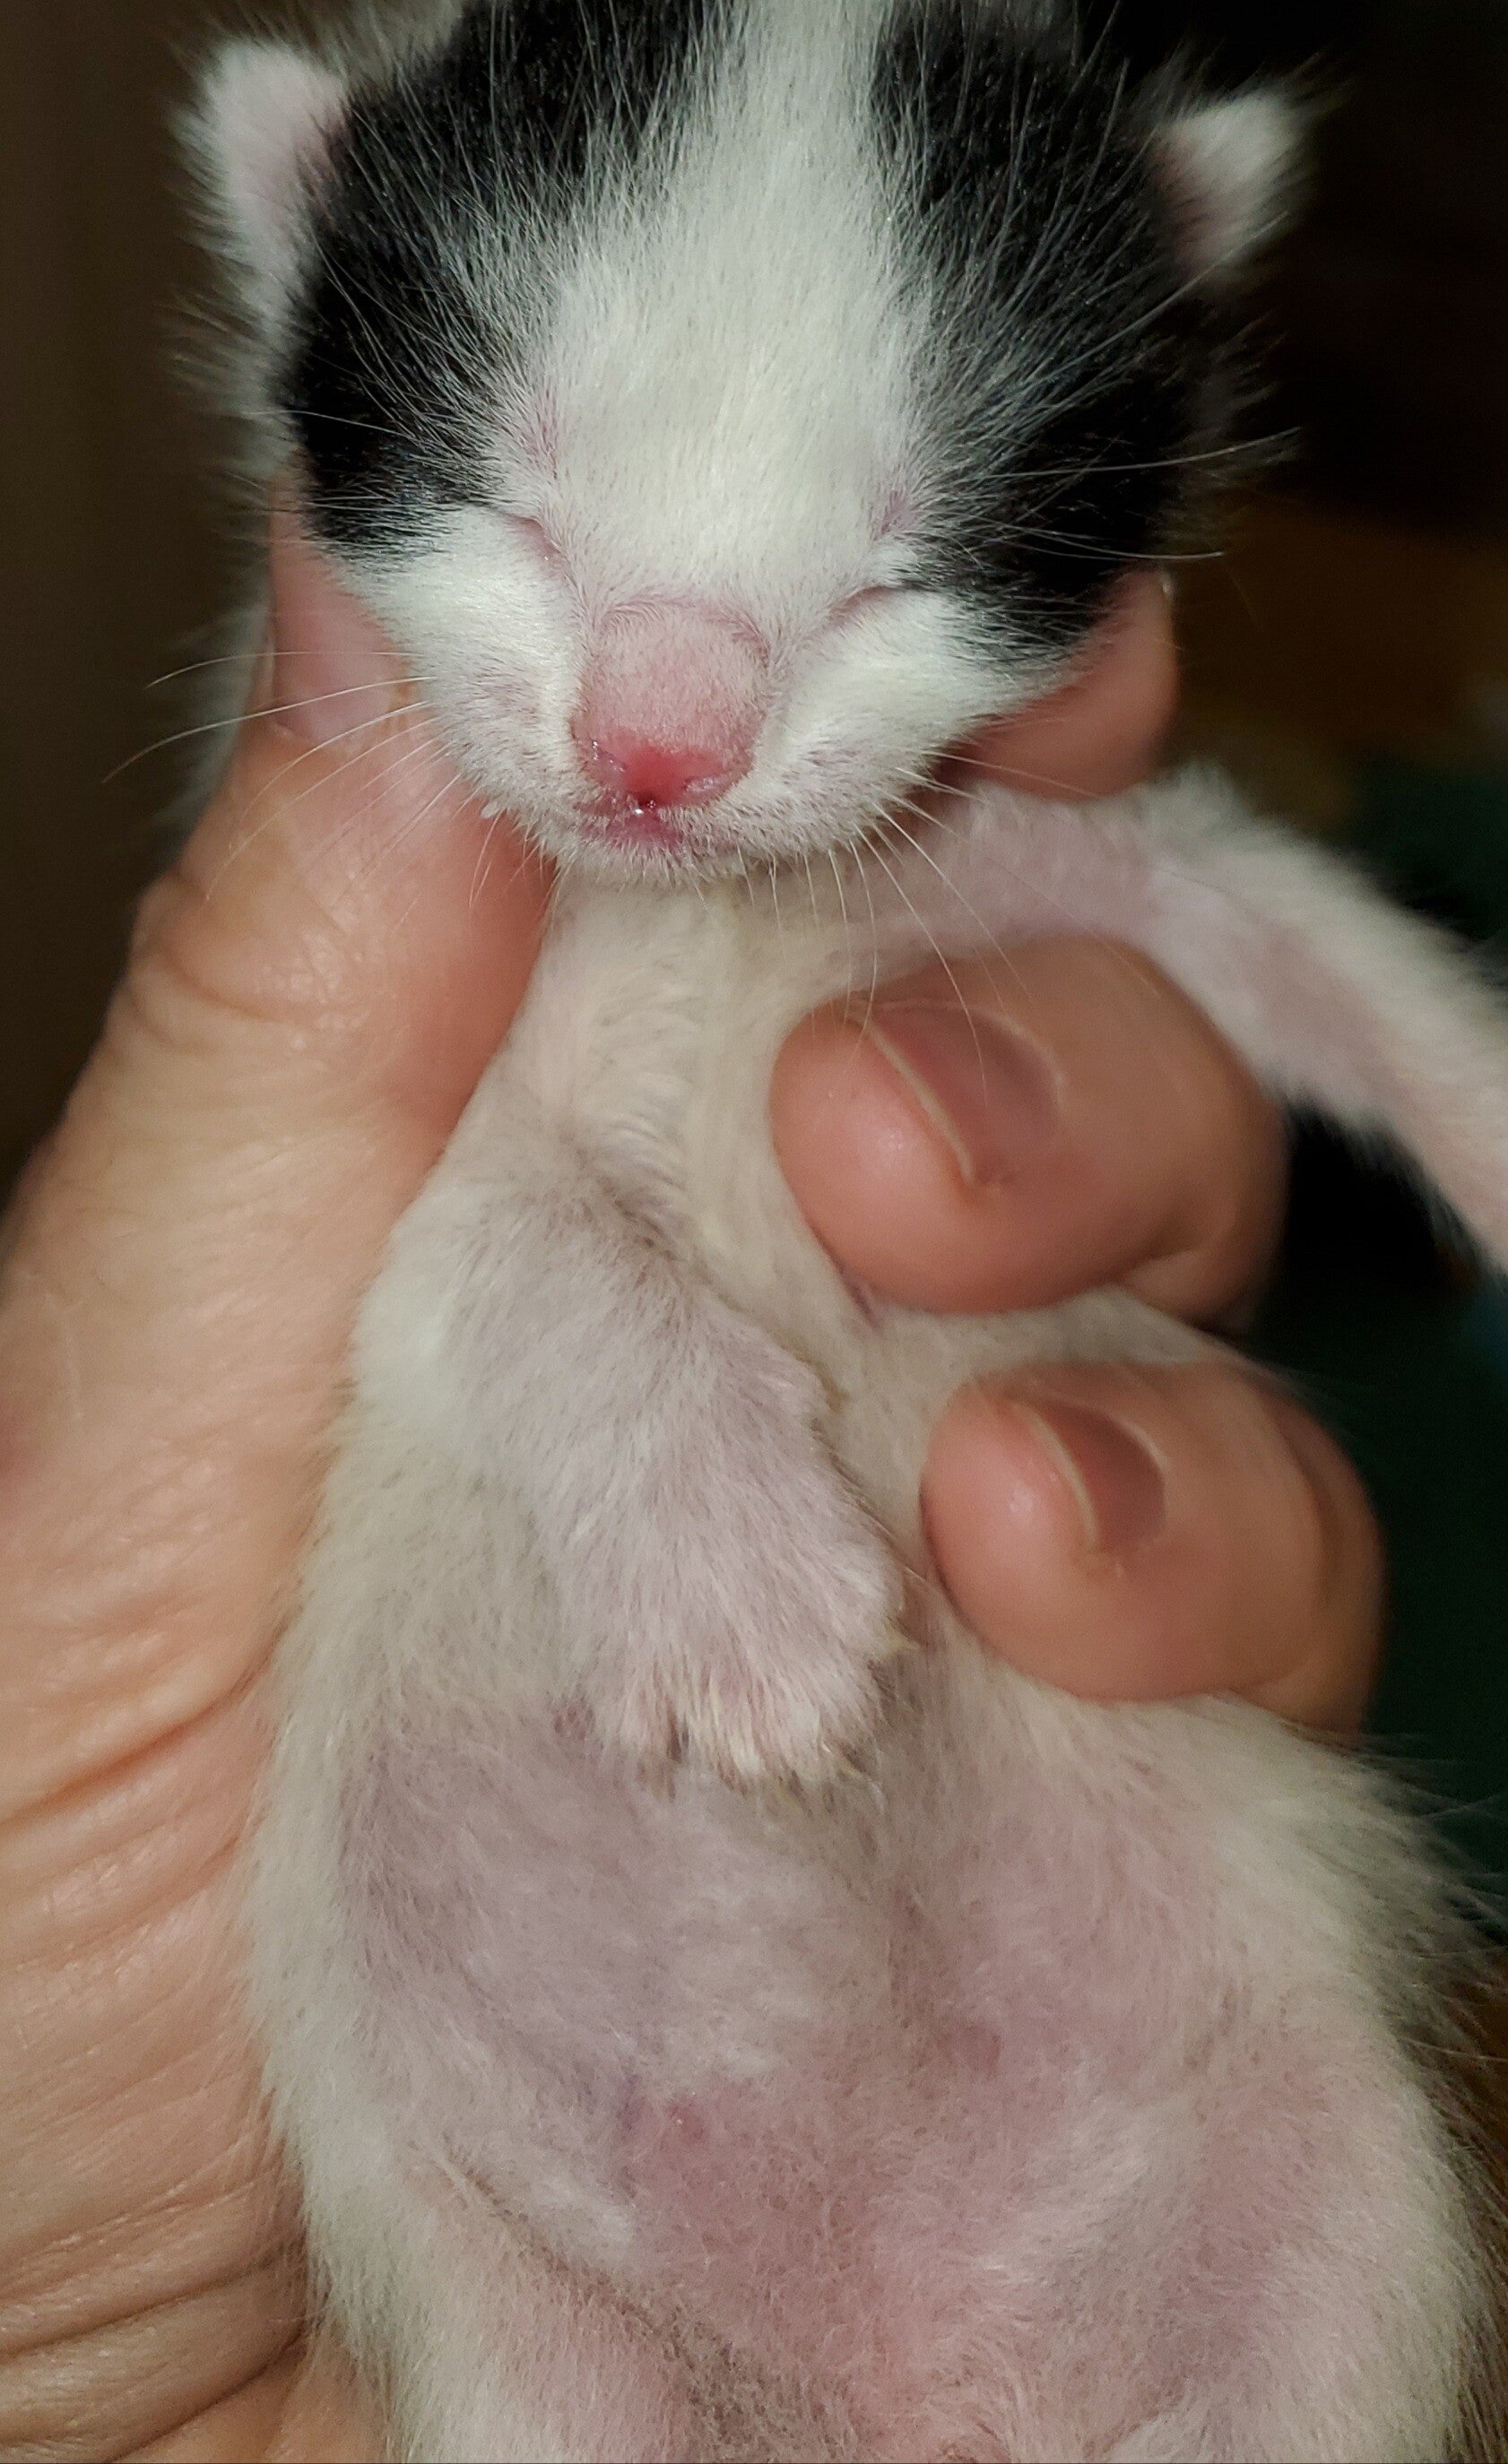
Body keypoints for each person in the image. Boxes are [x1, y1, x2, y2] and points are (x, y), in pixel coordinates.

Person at [0, 522, 1386, 2461]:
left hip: (1028, 2030)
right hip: (539, 2150)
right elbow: (427, 1246)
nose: (672, 717)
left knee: (1313, 2176)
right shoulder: (434, 763)